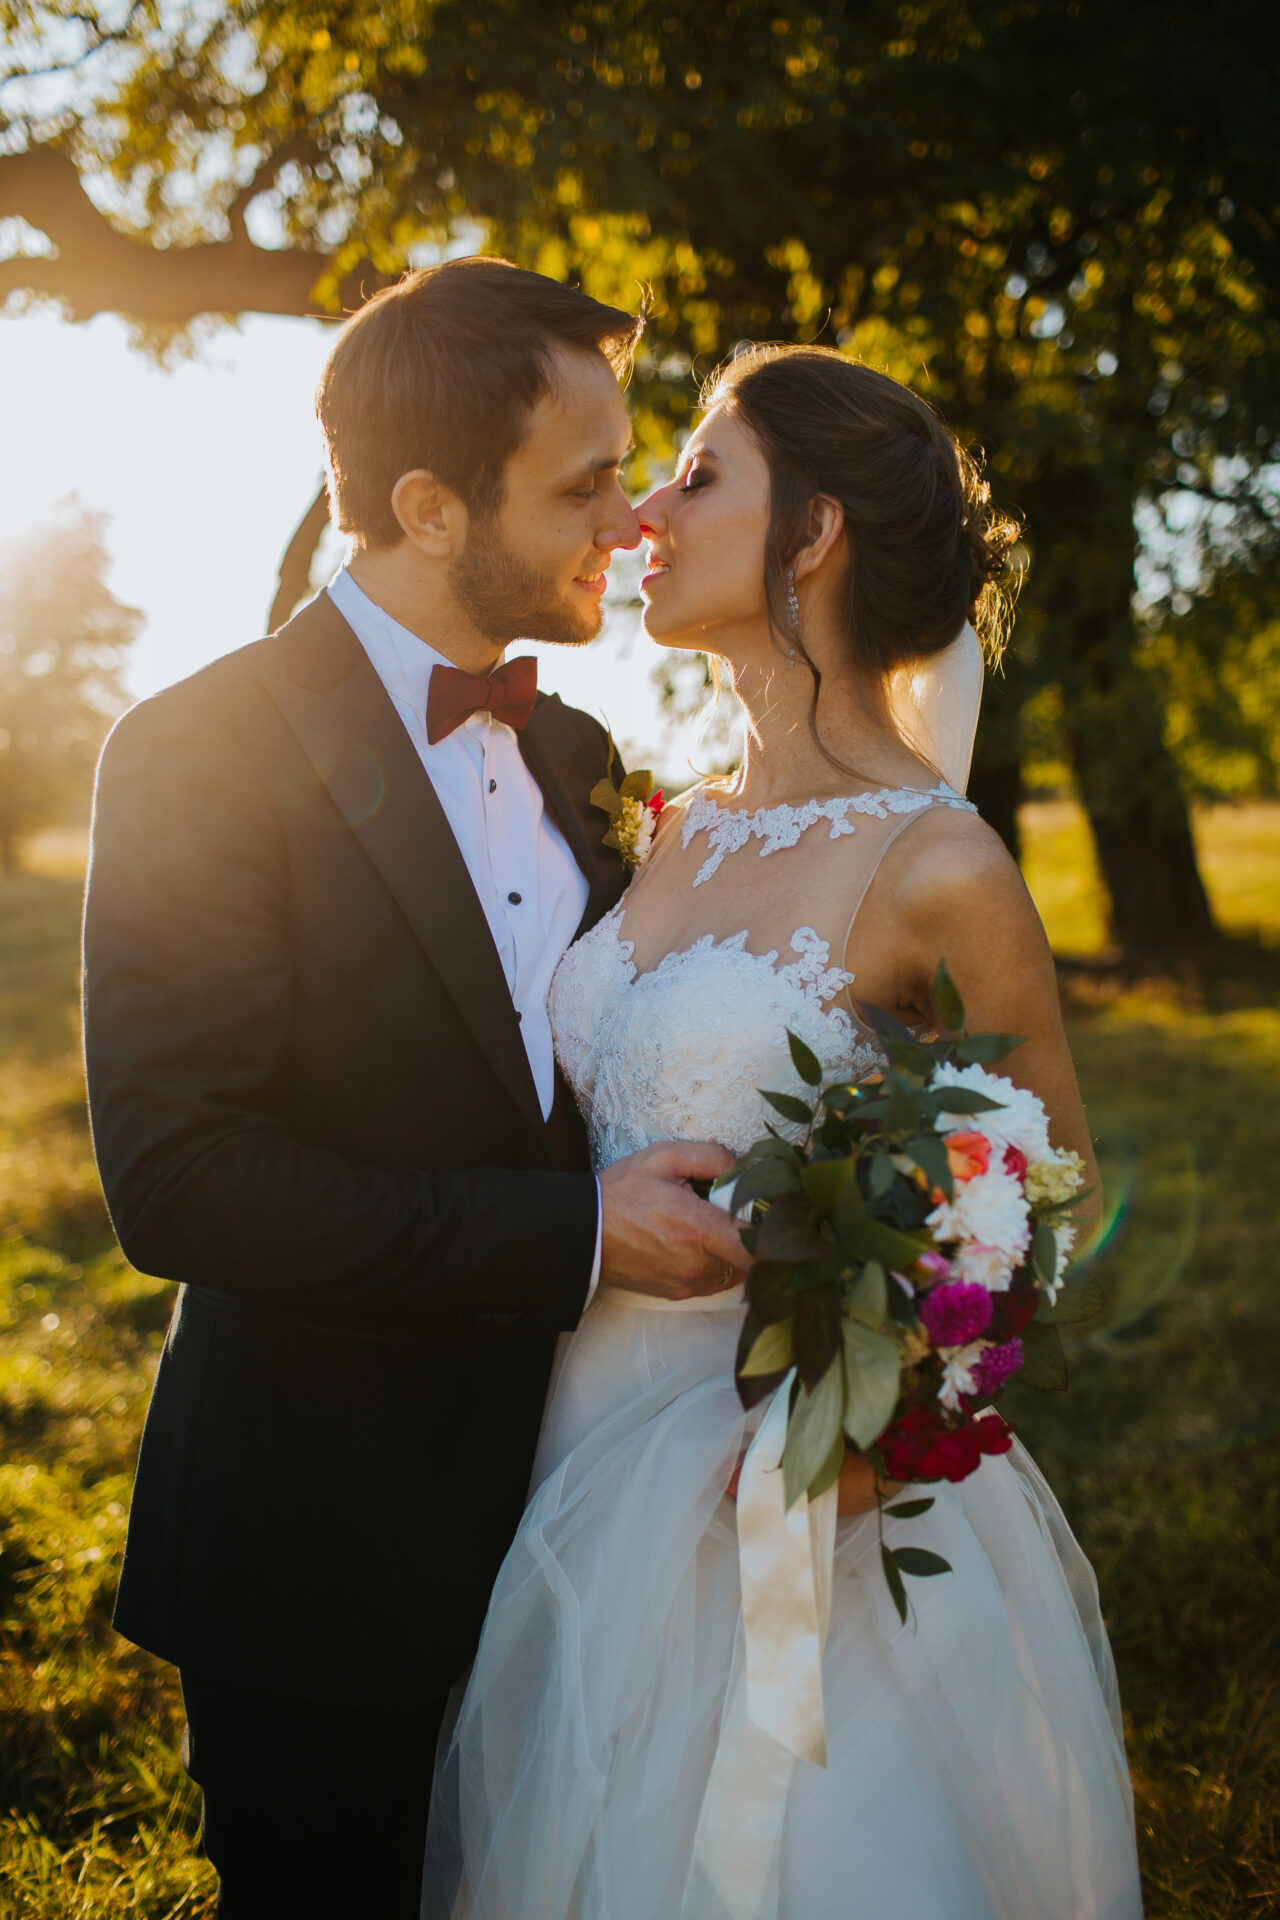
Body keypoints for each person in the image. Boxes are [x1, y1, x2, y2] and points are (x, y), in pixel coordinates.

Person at [423, 344, 1144, 1919]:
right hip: (560, 1447)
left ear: (811, 535)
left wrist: (860, 1437)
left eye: (696, 473)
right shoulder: (666, 823)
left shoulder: (939, 865)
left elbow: (1043, 1192)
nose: (646, 514)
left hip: (787, 1496)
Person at [82, 258, 748, 1920]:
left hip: (597, 1522)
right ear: (432, 506)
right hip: (322, 1547)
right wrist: (573, 1240)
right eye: (585, 486)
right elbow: (184, 1179)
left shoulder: (586, 757)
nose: (632, 519)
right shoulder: (194, 751)